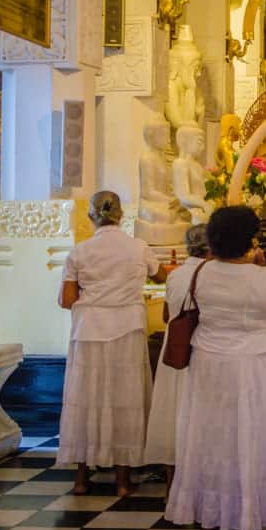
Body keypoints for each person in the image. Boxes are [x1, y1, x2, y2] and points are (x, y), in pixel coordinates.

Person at [165, 206, 266, 530]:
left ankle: (209, 520)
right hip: (252, 363)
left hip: (209, 361)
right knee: (250, 438)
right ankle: (246, 526)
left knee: (211, 436)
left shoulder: (203, 273)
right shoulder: (265, 277)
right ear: (250, 239)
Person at [58, 191, 166, 496]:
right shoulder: (138, 247)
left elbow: (67, 300)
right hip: (126, 328)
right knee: (125, 399)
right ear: (121, 215)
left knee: (86, 399)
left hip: (89, 330)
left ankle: (81, 479)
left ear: (92, 216)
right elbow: (161, 276)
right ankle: (122, 480)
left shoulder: (79, 251)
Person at [143, 225, 209, 488]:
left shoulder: (176, 275)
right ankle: (198, 483)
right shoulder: (212, 275)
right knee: (195, 413)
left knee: (172, 412)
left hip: (174, 349)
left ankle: (171, 485)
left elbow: (166, 317)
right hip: (197, 349)